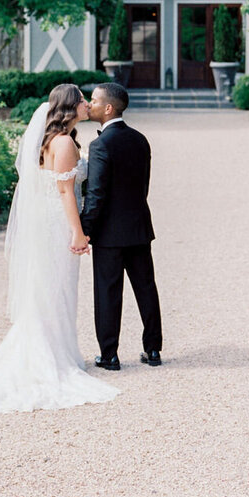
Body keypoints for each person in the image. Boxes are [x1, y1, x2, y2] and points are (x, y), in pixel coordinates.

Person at [0, 84, 119, 412]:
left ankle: (56, 349)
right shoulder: (64, 143)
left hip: (46, 221)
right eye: (82, 100)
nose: (88, 104)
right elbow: (66, 193)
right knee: (57, 287)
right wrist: (77, 232)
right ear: (70, 108)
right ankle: (52, 354)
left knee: (48, 286)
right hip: (58, 222)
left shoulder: (49, 141)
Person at [81, 81, 162, 371]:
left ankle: (109, 355)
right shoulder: (141, 140)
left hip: (109, 234)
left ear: (108, 107)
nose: (89, 105)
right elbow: (144, 186)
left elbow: (97, 193)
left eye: (93, 100)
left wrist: (85, 227)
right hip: (139, 226)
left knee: (108, 292)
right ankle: (153, 350)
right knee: (146, 288)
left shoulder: (101, 144)